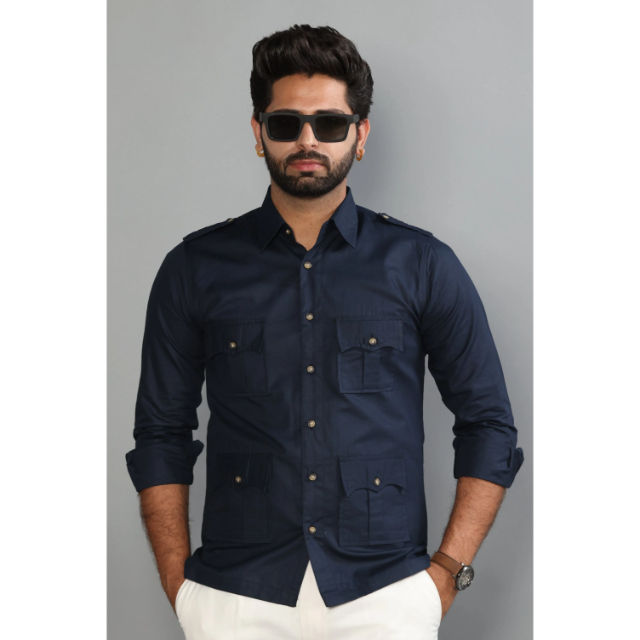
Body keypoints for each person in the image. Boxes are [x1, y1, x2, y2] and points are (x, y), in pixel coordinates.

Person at [125, 23, 524, 640]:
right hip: (234, 597)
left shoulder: (422, 264)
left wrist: (445, 574)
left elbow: (489, 425)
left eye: (330, 124)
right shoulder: (195, 268)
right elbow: (161, 433)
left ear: (360, 136)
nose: (307, 140)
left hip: (386, 596)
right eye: (286, 124)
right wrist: (181, 587)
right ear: (258, 132)